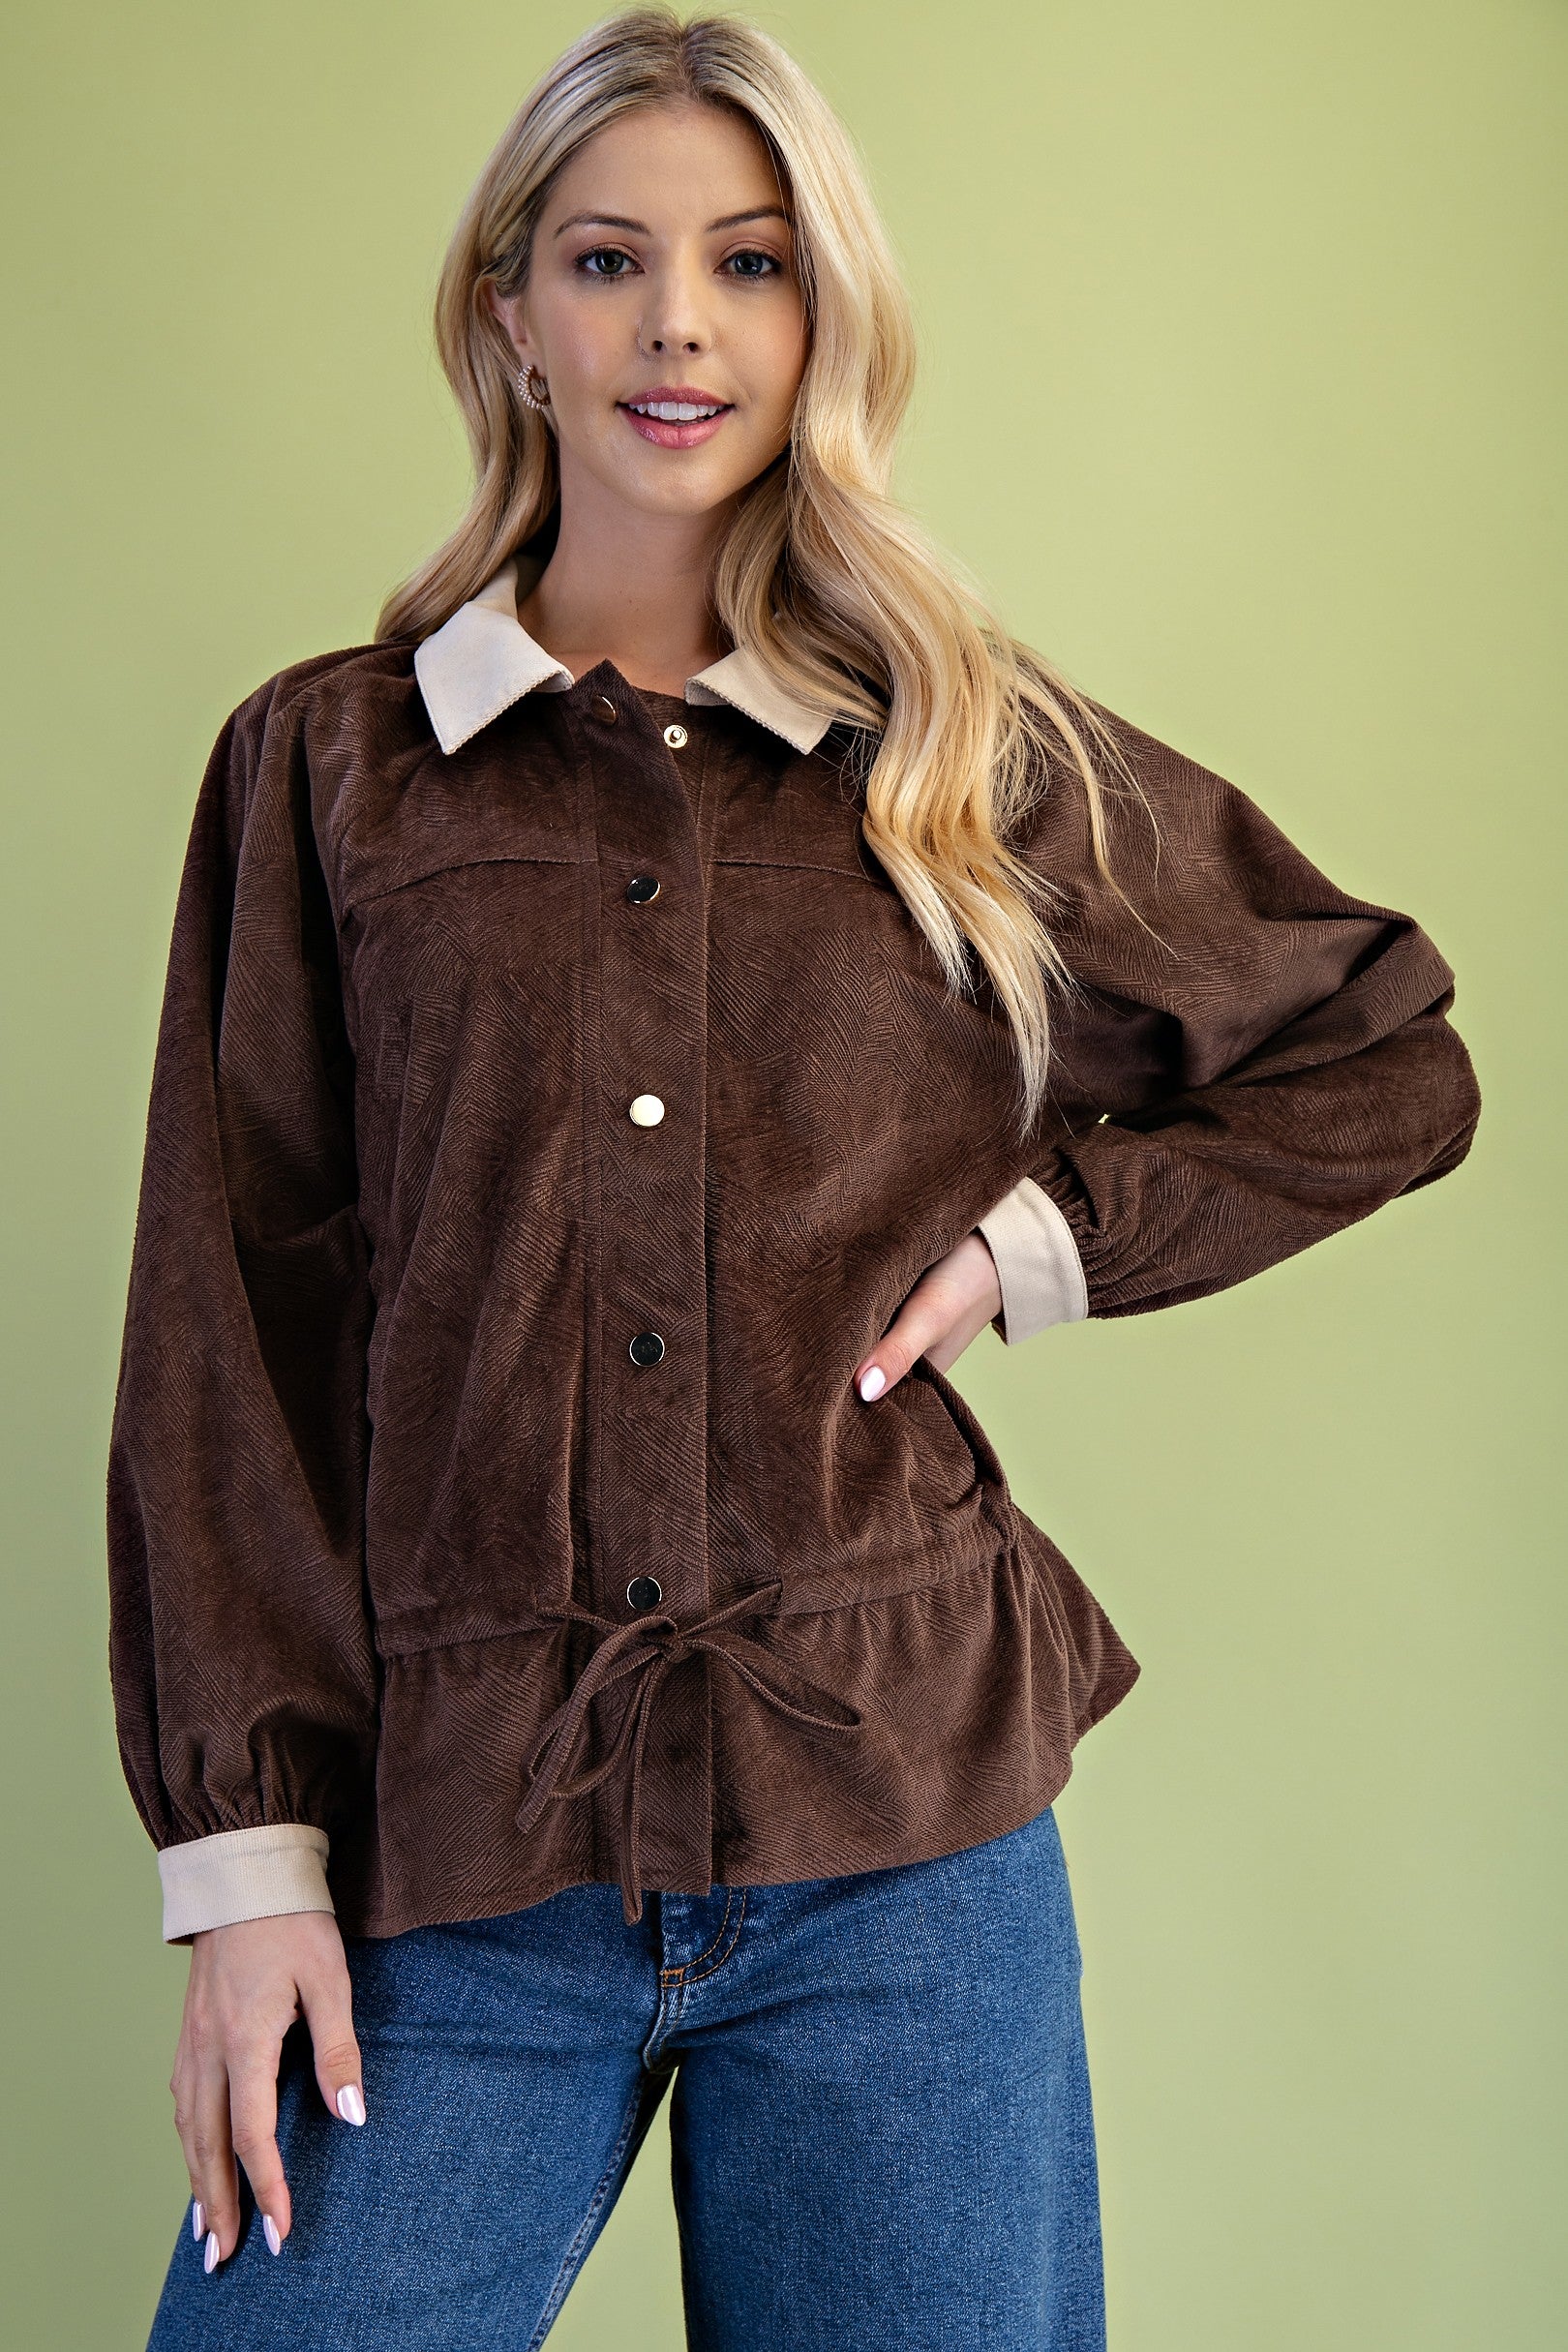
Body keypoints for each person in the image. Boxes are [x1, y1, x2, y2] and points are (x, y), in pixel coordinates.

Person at [106, 10, 1482, 2347]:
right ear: (509, 315)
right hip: (460, 1854)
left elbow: (1385, 1053)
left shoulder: (962, 757)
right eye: (608, 259)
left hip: (904, 1848)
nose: (680, 323)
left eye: (749, 263)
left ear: (823, 317)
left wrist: (1042, 1241)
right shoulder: (329, 776)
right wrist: (247, 1874)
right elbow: (228, 1330)